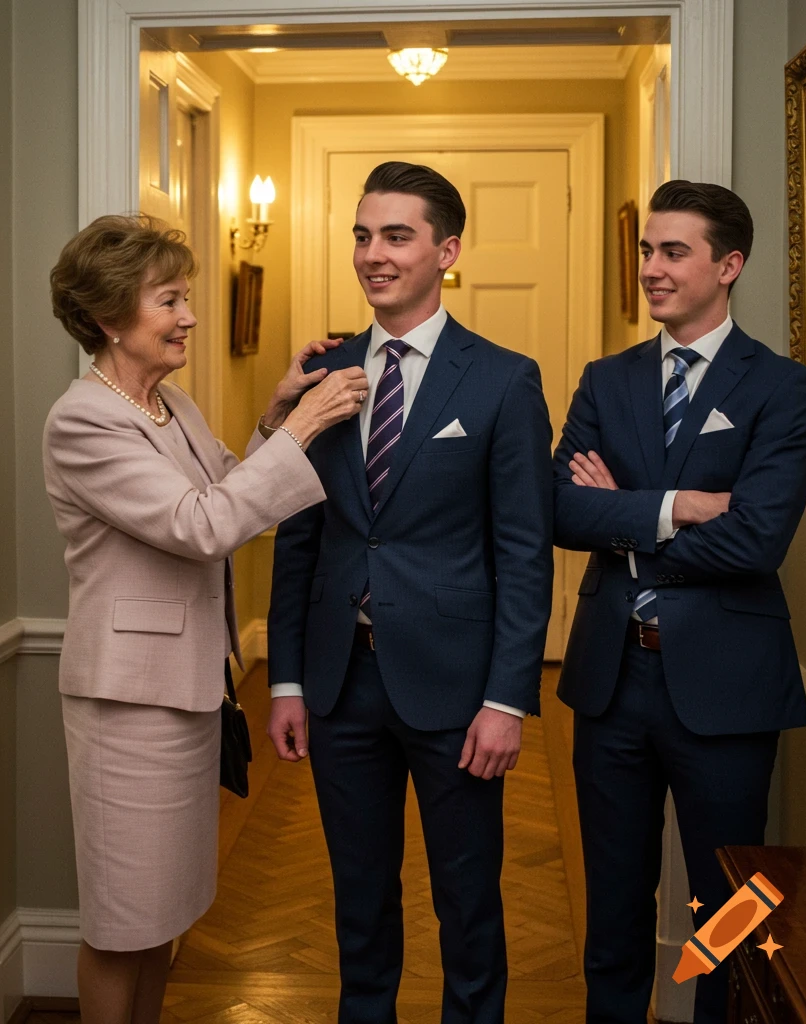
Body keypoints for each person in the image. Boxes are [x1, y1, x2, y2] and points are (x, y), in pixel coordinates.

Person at [43, 214, 369, 1024]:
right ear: (110, 316)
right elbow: (202, 525)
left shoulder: (168, 404)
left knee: (161, 919)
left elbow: (232, 489)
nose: (188, 316)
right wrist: (307, 425)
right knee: (122, 924)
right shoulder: (85, 420)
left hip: (186, 694)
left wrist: (276, 414)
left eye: (185, 298)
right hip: (128, 708)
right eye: (169, 301)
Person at [266, 161, 554, 1023]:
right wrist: (286, 680)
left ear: (447, 252)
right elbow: (298, 535)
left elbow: (524, 552)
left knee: (468, 902)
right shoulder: (323, 373)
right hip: (340, 683)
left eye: (396, 235)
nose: (373, 254)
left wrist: (506, 699)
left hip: (457, 691)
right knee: (358, 899)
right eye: (363, 235)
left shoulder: (503, 378)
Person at [553, 180, 806, 1024]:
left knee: (729, 910)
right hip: (611, 684)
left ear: (728, 266)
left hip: (728, 688)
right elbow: (560, 511)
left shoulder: (782, 387)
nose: (651, 269)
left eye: (673, 252)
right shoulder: (606, 380)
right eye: (646, 250)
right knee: (613, 905)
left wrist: (626, 517)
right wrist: (680, 505)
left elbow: (757, 542)